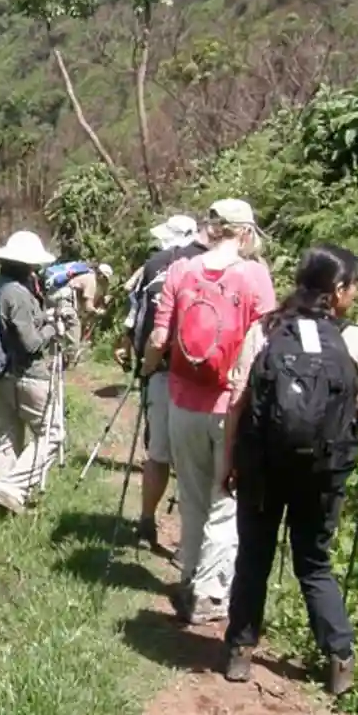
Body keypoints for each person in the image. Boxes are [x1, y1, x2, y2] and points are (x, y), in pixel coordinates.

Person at [221, 244, 358, 696]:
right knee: (314, 564)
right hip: (322, 474)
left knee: (253, 558)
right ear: (337, 290)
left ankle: (240, 652)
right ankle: (339, 659)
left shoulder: (267, 331)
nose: (355, 294)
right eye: (353, 286)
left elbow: (237, 404)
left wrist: (230, 462)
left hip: (262, 466)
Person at [140, 200, 276, 626]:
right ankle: (211, 593)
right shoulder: (255, 275)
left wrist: (144, 370)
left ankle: (188, 580)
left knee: (195, 497)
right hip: (231, 404)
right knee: (226, 501)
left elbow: (160, 336)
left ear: (212, 229)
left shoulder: (182, 270)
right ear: (246, 233)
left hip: (182, 399)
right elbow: (263, 345)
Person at [116, 214, 204, 547]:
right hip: (206, 379)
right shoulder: (215, 265)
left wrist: (140, 359)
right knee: (196, 463)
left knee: (158, 454)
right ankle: (191, 540)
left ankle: (146, 521)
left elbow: (138, 314)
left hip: (162, 371)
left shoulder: (153, 265)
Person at [0, 230, 62, 515]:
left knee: (7, 437)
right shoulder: (17, 293)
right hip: (28, 374)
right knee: (52, 434)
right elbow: (31, 343)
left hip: (2, 374)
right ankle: (14, 488)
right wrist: (54, 327)